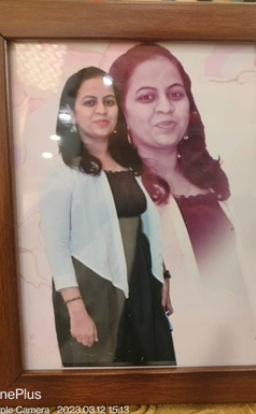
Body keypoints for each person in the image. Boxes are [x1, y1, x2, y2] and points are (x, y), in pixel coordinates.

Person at [109, 44, 256, 366]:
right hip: (176, 359)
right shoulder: (118, 195)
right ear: (122, 112)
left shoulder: (213, 182)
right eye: (147, 97)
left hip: (245, 349)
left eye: (176, 94)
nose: (166, 107)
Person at [40, 67, 175, 367]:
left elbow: (144, 227)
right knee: (103, 383)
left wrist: (163, 276)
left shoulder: (129, 165)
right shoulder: (63, 173)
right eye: (90, 102)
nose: (102, 110)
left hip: (141, 284)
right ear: (70, 112)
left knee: (156, 379)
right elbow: (56, 247)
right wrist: (76, 309)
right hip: (93, 292)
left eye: (109, 101)